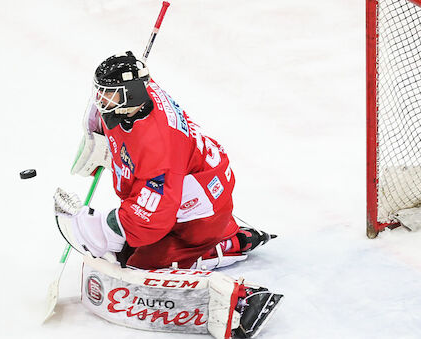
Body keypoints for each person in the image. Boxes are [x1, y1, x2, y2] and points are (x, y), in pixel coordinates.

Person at [56, 51, 276, 271]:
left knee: (138, 265)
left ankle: (223, 245)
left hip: (199, 217)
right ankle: (219, 233)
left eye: (108, 95)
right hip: (196, 180)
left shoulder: (157, 146)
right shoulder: (142, 93)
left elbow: (152, 215)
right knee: (129, 247)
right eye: (100, 92)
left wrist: (106, 229)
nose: (100, 100)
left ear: (130, 95)